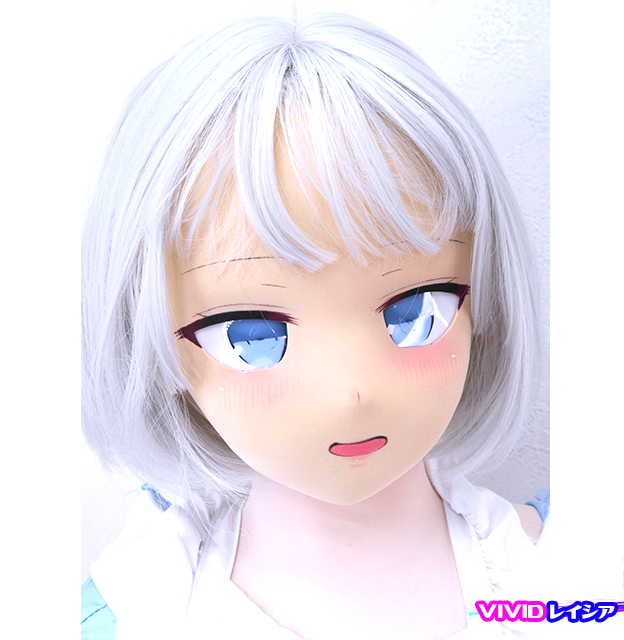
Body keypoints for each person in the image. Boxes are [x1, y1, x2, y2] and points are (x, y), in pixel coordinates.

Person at [81, 13, 549, 639]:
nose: (349, 392)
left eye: (417, 312)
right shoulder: (136, 613)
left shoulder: (568, 583)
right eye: (251, 336)